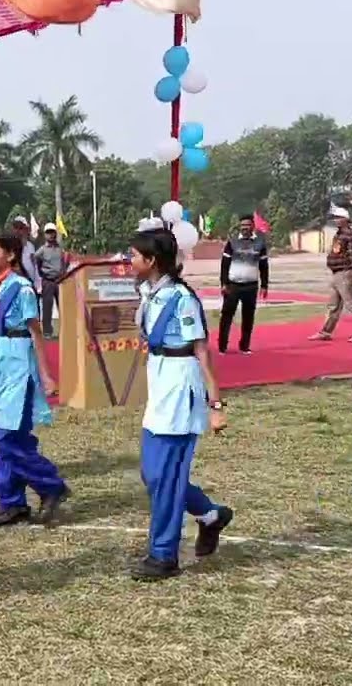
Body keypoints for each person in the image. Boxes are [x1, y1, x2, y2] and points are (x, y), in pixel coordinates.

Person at [127, 228, 234, 581]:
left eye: (134, 256)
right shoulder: (149, 292)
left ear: (151, 260)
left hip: (180, 385)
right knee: (153, 474)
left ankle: (163, 555)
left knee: (167, 478)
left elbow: (202, 351)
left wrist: (215, 403)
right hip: (160, 383)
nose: (130, 261)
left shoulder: (182, 298)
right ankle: (210, 515)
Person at [0, 234, 70, 527]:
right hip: (2, 363)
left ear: (10, 255)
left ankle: (51, 484)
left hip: (21, 365)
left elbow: (36, 332)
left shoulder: (22, 289)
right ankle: (12, 502)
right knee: (10, 435)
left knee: (8, 438)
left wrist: (45, 375)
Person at [310, 205, 352, 343]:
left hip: (345, 272)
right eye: (335, 218)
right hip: (336, 272)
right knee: (333, 305)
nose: (335, 220)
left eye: (338, 217)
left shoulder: (350, 235)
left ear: (345, 219)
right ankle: (326, 331)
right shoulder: (338, 234)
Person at [217, 215, 270, 354]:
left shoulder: (260, 243)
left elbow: (264, 266)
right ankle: (222, 346)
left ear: (253, 226)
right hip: (232, 285)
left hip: (251, 286)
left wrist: (264, 285)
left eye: (247, 225)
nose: (244, 228)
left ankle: (244, 346)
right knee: (226, 316)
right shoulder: (232, 242)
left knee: (248, 317)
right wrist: (224, 283)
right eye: (242, 225)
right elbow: (224, 264)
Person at [34, 223, 68, 339]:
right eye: (48, 232)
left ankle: (65, 331)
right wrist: (42, 274)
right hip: (47, 281)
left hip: (60, 281)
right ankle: (47, 332)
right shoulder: (42, 250)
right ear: (45, 234)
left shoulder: (60, 249)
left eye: (52, 232)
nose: (50, 235)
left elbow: (65, 261)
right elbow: (36, 261)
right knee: (47, 307)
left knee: (62, 306)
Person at [12, 217, 41, 289]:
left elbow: (34, 265)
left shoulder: (30, 246)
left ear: (26, 230)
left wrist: (37, 284)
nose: (18, 231)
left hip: (29, 284)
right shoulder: (9, 247)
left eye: (21, 228)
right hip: (14, 284)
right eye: (16, 228)